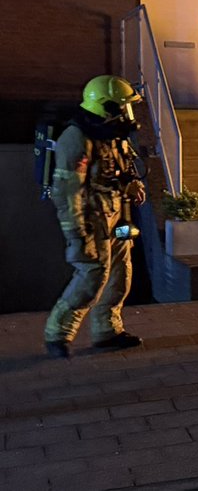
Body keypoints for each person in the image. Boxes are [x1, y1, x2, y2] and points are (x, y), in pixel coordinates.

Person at [44, 75, 147, 358]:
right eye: (124, 107)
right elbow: (66, 193)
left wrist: (132, 184)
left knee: (119, 277)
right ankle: (58, 334)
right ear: (107, 107)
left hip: (116, 216)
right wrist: (77, 236)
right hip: (91, 220)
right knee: (91, 278)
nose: (128, 114)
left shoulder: (112, 135)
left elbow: (118, 172)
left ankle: (107, 331)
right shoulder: (76, 139)